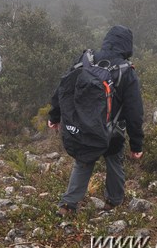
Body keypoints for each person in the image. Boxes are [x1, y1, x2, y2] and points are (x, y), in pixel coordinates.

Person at [48, 25, 144, 216]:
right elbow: (135, 111)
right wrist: (136, 144)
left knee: (83, 162)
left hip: (83, 125)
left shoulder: (86, 60)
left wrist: (54, 115)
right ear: (127, 46)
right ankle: (113, 202)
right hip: (112, 131)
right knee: (114, 162)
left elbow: (64, 88)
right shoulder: (126, 71)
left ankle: (68, 205)